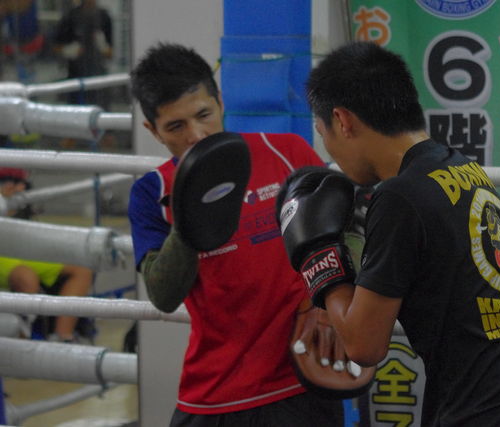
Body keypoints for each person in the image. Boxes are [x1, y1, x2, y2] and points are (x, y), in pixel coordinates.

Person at [278, 41, 500, 426]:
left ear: (342, 121)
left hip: (481, 415)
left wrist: (320, 261)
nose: (330, 151)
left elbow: (363, 345)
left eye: (322, 132)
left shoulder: (400, 197)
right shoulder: (463, 169)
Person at [128, 42, 345, 426]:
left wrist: (326, 305)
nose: (196, 135)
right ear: (153, 131)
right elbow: (163, 295)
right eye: (176, 126)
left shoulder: (285, 153)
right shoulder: (152, 192)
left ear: (221, 101)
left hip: (299, 383)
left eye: (203, 115)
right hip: (214, 394)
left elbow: (346, 236)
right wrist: (191, 208)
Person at [0, 167, 94, 343]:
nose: (21, 188)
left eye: (22, 183)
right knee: (26, 278)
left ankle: (61, 339)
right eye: (11, 182)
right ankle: (23, 347)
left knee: (81, 269)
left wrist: (9, 201)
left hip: (13, 243)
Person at [52, 0, 113, 108]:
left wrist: (103, 46)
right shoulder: (71, 16)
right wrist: (69, 50)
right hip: (76, 73)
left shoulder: (104, 17)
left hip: (98, 74)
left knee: (100, 109)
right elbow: (55, 46)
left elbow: (110, 53)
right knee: (76, 110)